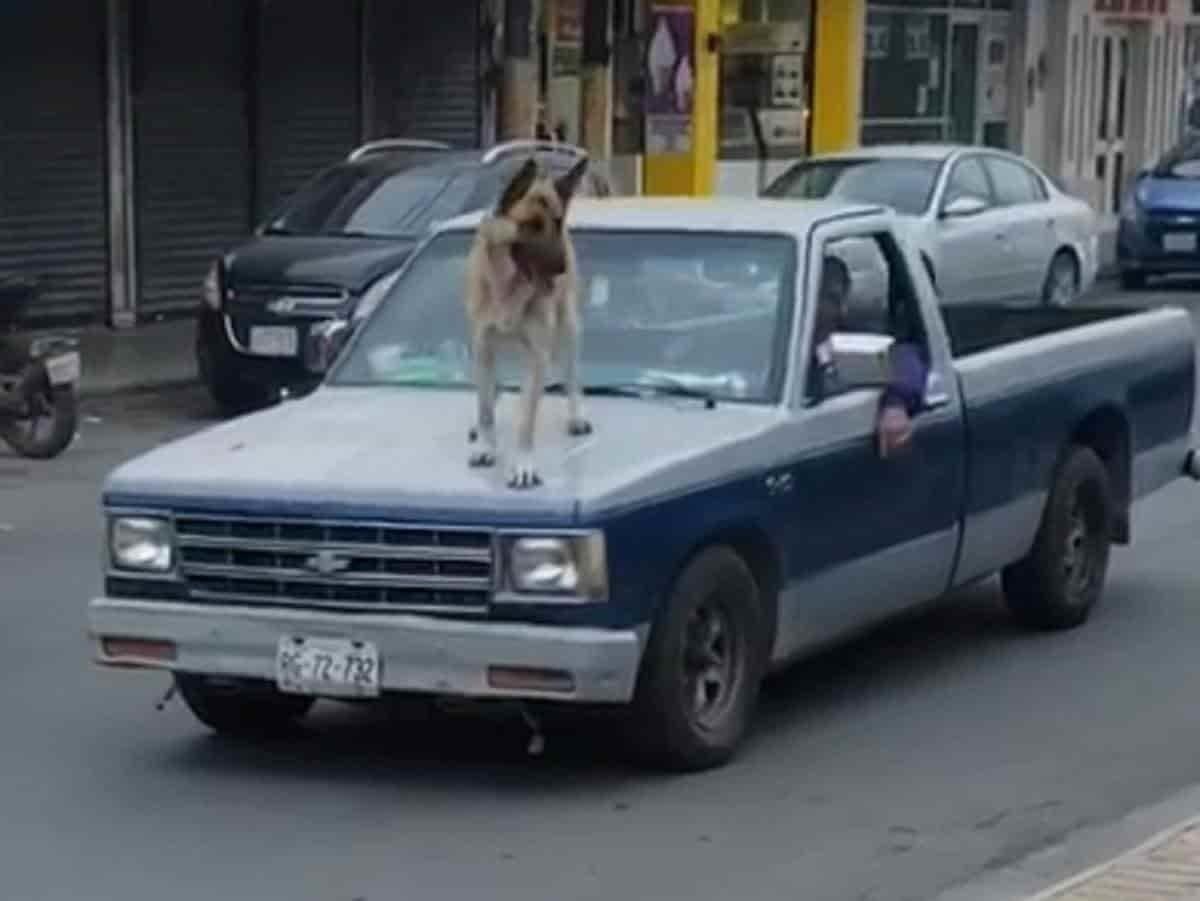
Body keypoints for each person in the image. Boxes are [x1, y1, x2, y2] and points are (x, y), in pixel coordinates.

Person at [812, 255, 928, 457]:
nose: (832, 307)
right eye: (825, 297)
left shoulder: (857, 339)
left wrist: (895, 403)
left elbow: (904, 358)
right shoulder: (776, 347)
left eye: (837, 297)